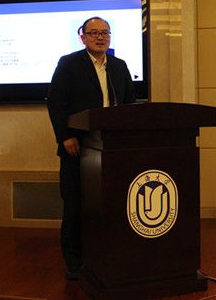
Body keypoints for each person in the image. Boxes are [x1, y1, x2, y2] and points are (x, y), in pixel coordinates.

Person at [47, 17, 136, 280]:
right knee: (75, 206)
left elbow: (129, 104)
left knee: (110, 205)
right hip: (77, 148)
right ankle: (74, 262)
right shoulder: (69, 63)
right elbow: (56, 103)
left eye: (105, 33)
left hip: (110, 149)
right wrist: (65, 137)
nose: (100, 37)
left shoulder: (119, 66)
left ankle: (107, 255)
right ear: (82, 37)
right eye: (94, 33)